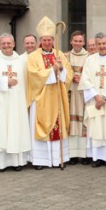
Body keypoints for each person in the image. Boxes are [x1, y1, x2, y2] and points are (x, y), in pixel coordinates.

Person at [26, 17, 72, 169]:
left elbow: (69, 75)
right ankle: (41, 160)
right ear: (40, 40)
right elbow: (33, 76)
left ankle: (58, 159)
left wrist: (62, 69)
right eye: (44, 40)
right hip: (41, 98)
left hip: (57, 97)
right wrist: (52, 70)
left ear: (53, 40)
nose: (47, 42)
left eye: (49, 40)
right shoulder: (33, 57)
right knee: (40, 127)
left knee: (57, 126)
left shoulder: (60, 55)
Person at [0, 34, 30, 171]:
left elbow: (30, 81)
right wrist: (5, 82)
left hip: (17, 102)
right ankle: (1, 163)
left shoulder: (22, 61)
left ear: (14, 43)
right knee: (2, 129)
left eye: (8, 43)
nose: (6, 46)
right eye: (3, 43)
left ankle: (17, 163)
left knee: (15, 129)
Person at [81, 33, 106, 167]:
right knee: (96, 128)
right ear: (96, 45)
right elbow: (85, 79)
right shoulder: (90, 60)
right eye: (99, 44)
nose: (102, 46)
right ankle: (97, 158)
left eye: (104, 43)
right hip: (95, 100)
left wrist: (104, 97)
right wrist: (96, 96)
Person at [66, 31, 89, 163]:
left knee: (83, 122)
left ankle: (84, 154)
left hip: (83, 94)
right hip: (70, 92)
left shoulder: (90, 57)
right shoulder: (65, 56)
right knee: (71, 122)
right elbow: (61, 73)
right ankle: (72, 154)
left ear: (84, 42)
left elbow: (92, 74)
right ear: (71, 41)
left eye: (80, 41)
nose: (78, 43)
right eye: (75, 41)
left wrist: (82, 79)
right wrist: (71, 78)